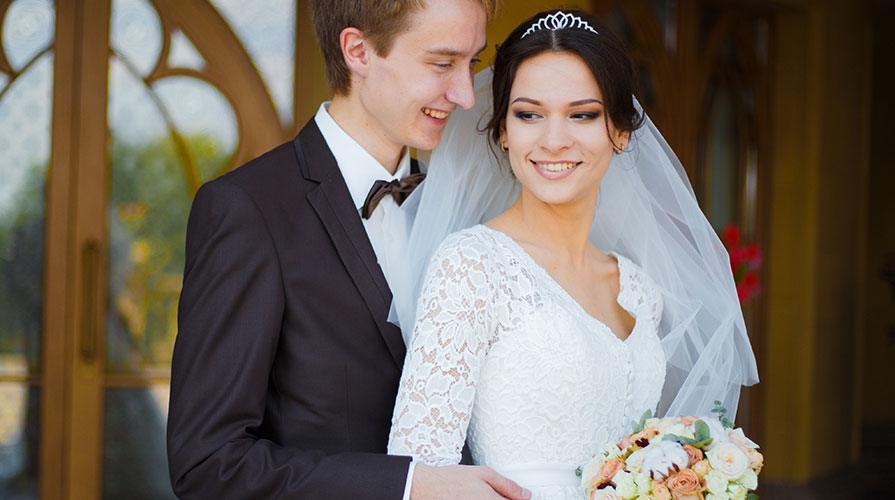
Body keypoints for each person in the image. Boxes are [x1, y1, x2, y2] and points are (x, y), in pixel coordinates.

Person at [387, 9, 759, 499]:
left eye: (582, 114)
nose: (554, 139)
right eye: (528, 114)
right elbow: (419, 473)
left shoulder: (638, 288)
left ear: (621, 131)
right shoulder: (472, 267)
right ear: (502, 131)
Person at [166, 1, 532, 499]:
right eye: (442, 63)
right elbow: (208, 464)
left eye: (472, 63)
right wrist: (407, 487)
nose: (466, 94)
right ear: (358, 50)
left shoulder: (475, 215)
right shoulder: (247, 210)